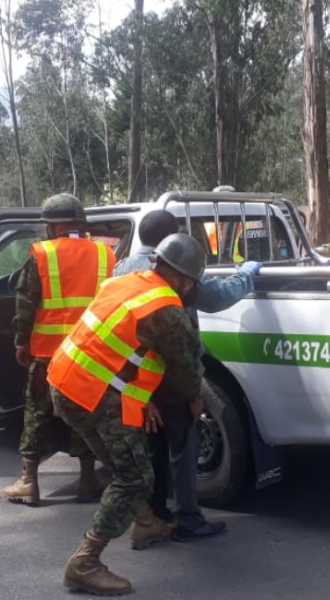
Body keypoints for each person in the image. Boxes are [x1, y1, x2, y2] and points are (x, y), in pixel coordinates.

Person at [47, 233, 206, 595]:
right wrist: (194, 398)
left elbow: (114, 344)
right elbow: (184, 368)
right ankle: (85, 562)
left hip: (65, 382)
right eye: (194, 282)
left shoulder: (127, 281)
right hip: (94, 395)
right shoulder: (167, 308)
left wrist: (141, 396)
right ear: (183, 278)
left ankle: (146, 522)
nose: (193, 289)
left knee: (122, 463)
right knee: (135, 477)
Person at [115, 209, 262, 545]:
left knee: (151, 446)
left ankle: (155, 516)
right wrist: (246, 275)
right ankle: (189, 520)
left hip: (138, 377)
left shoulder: (121, 268)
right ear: (174, 238)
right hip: (173, 373)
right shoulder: (177, 270)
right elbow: (216, 297)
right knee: (182, 447)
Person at [2, 193, 116, 506]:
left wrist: (21, 343)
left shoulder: (42, 254)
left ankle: (29, 482)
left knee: (36, 413)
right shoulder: (106, 254)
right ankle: (88, 479)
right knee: (84, 414)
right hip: (89, 355)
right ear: (80, 223)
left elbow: (25, 305)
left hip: (48, 354)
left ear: (53, 227)